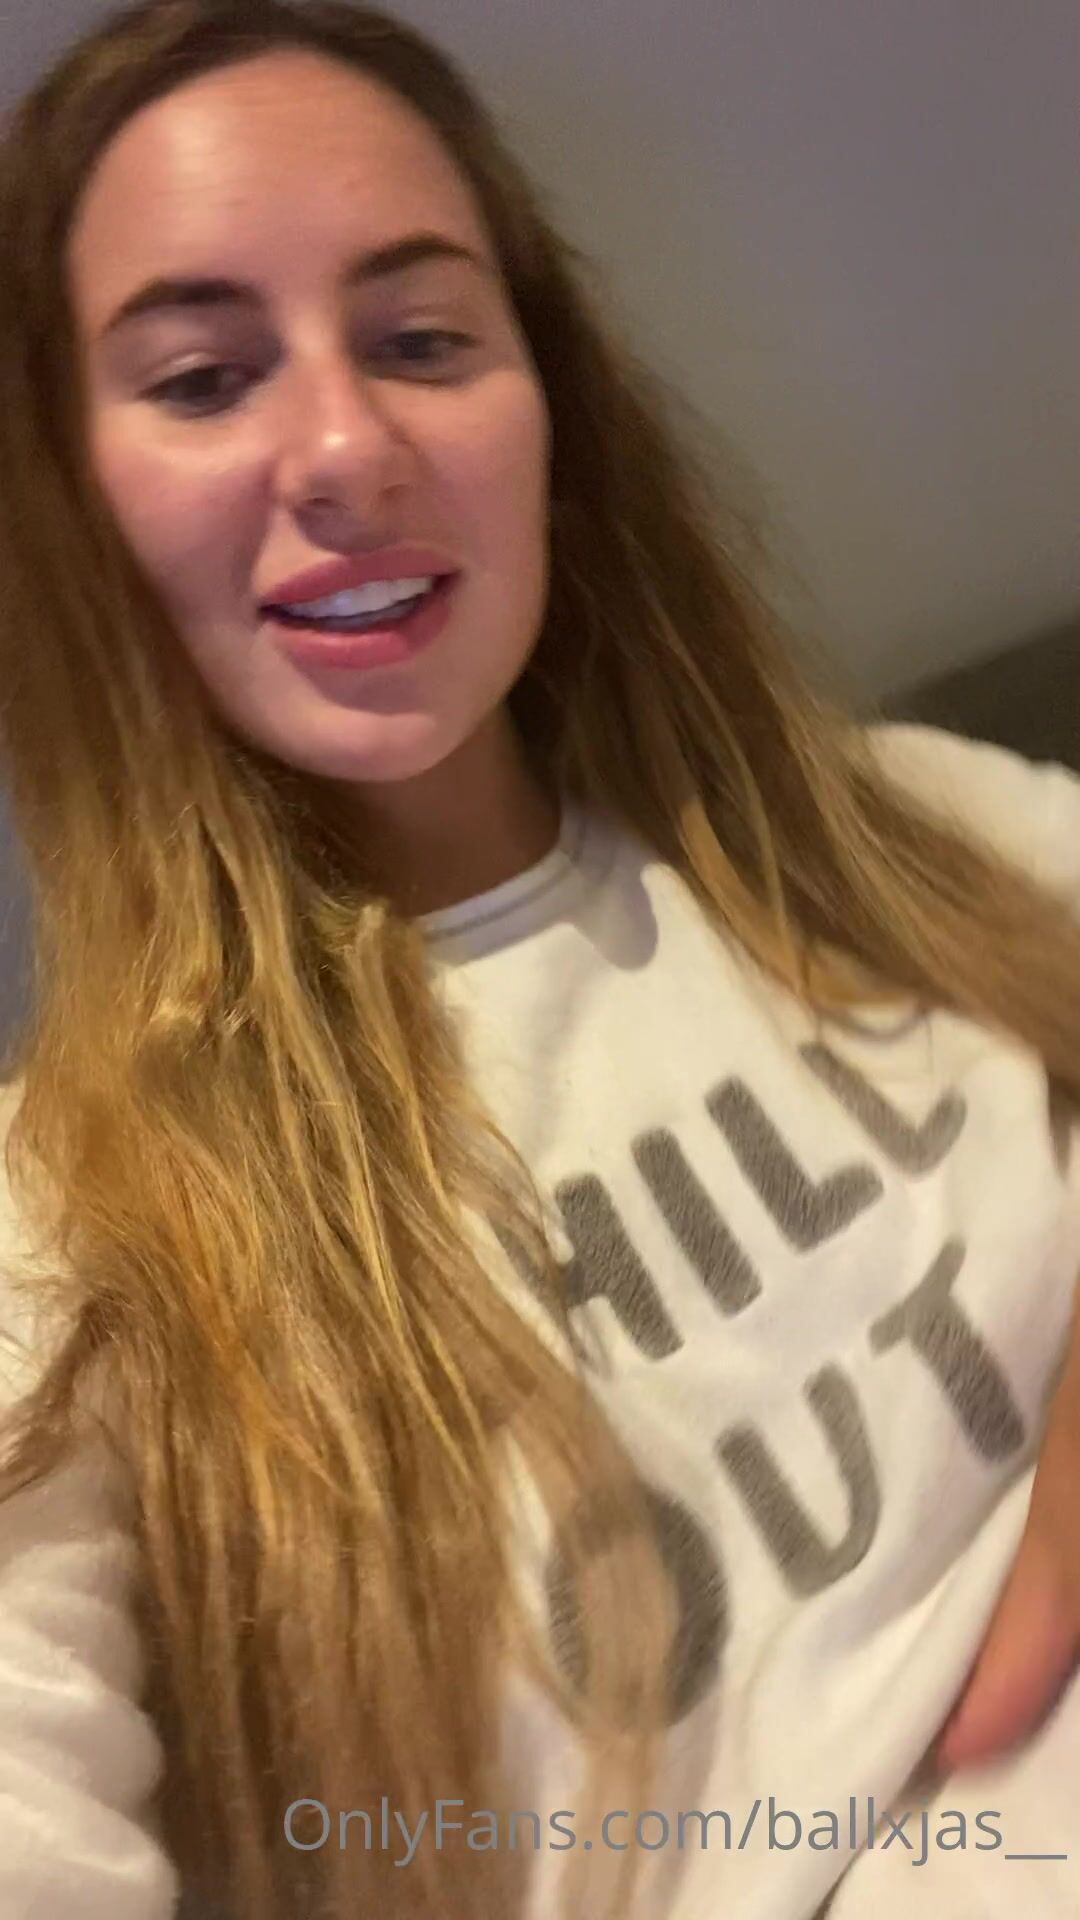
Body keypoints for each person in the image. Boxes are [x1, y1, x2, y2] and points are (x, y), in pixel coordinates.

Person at [0, 3, 1077, 1917]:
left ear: (548, 411)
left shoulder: (905, 827)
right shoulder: (55, 1250)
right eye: (202, 376)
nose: (347, 448)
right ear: (69, 501)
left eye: (423, 340)